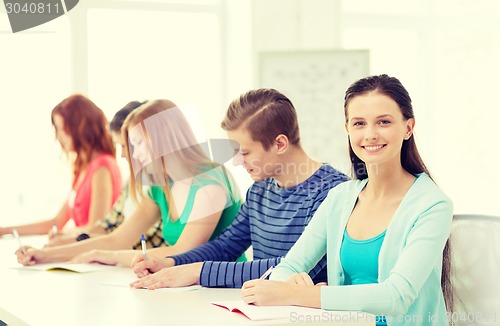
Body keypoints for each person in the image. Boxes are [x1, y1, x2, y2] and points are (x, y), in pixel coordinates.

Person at [240, 75, 453, 326]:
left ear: (408, 128)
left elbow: (396, 296)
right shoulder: (340, 197)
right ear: (348, 129)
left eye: (383, 122)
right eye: (359, 123)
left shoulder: (433, 205)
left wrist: (301, 294)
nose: (370, 134)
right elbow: (290, 265)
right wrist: (289, 282)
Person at [128, 88, 349, 290]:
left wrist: (198, 271)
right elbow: (226, 246)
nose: (235, 162)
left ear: (280, 144)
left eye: (244, 153)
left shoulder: (332, 192)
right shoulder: (260, 190)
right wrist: (169, 263)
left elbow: (297, 266)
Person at [16, 99, 242, 266]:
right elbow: (117, 239)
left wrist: (107, 256)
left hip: (224, 292)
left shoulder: (209, 183)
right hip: (186, 288)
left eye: (137, 144)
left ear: (161, 138)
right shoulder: (161, 187)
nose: (133, 155)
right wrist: (44, 255)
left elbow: (182, 253)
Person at [46, 100, 165, 250]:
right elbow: (109, 226)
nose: (122, 154)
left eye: (62, 129)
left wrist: (73, 244)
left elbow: (116, 236)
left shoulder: (102, 166)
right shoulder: (133, 181)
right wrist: (71, 241)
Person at [0, 94, 122, 237]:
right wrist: (5, 231)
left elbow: (96, 229)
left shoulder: (102, 167)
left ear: (80, 127)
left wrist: (62, 234)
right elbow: (56, 223)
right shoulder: (83, 168)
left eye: (62, 129)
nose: (58, 137)